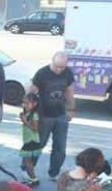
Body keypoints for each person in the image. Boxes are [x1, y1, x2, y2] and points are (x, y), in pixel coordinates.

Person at [30, 51, 76, 181]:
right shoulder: (42, 73)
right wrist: (29, 111)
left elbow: (69, 91)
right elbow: (31, 91)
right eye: (57, 66)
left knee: (60, 147)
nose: (59, 70)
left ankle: (54, 172)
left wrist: (71, 108)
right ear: (52, 61)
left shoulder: (67, 73)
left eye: (62, 67)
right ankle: (27, 168)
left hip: (61, 114)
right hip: (45, 115)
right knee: (39, 143)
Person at [19, 93, 41, 186]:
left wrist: (25, 121)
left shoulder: (34, 115)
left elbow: (35, 128)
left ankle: (33, 179)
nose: (25, 105)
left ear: (34, 104)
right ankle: (31, 177)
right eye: (24, 103)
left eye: (27, 103)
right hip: (28, 140)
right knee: (27, 162)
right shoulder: (26, 113)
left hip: (32, 141)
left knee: (28, 162)